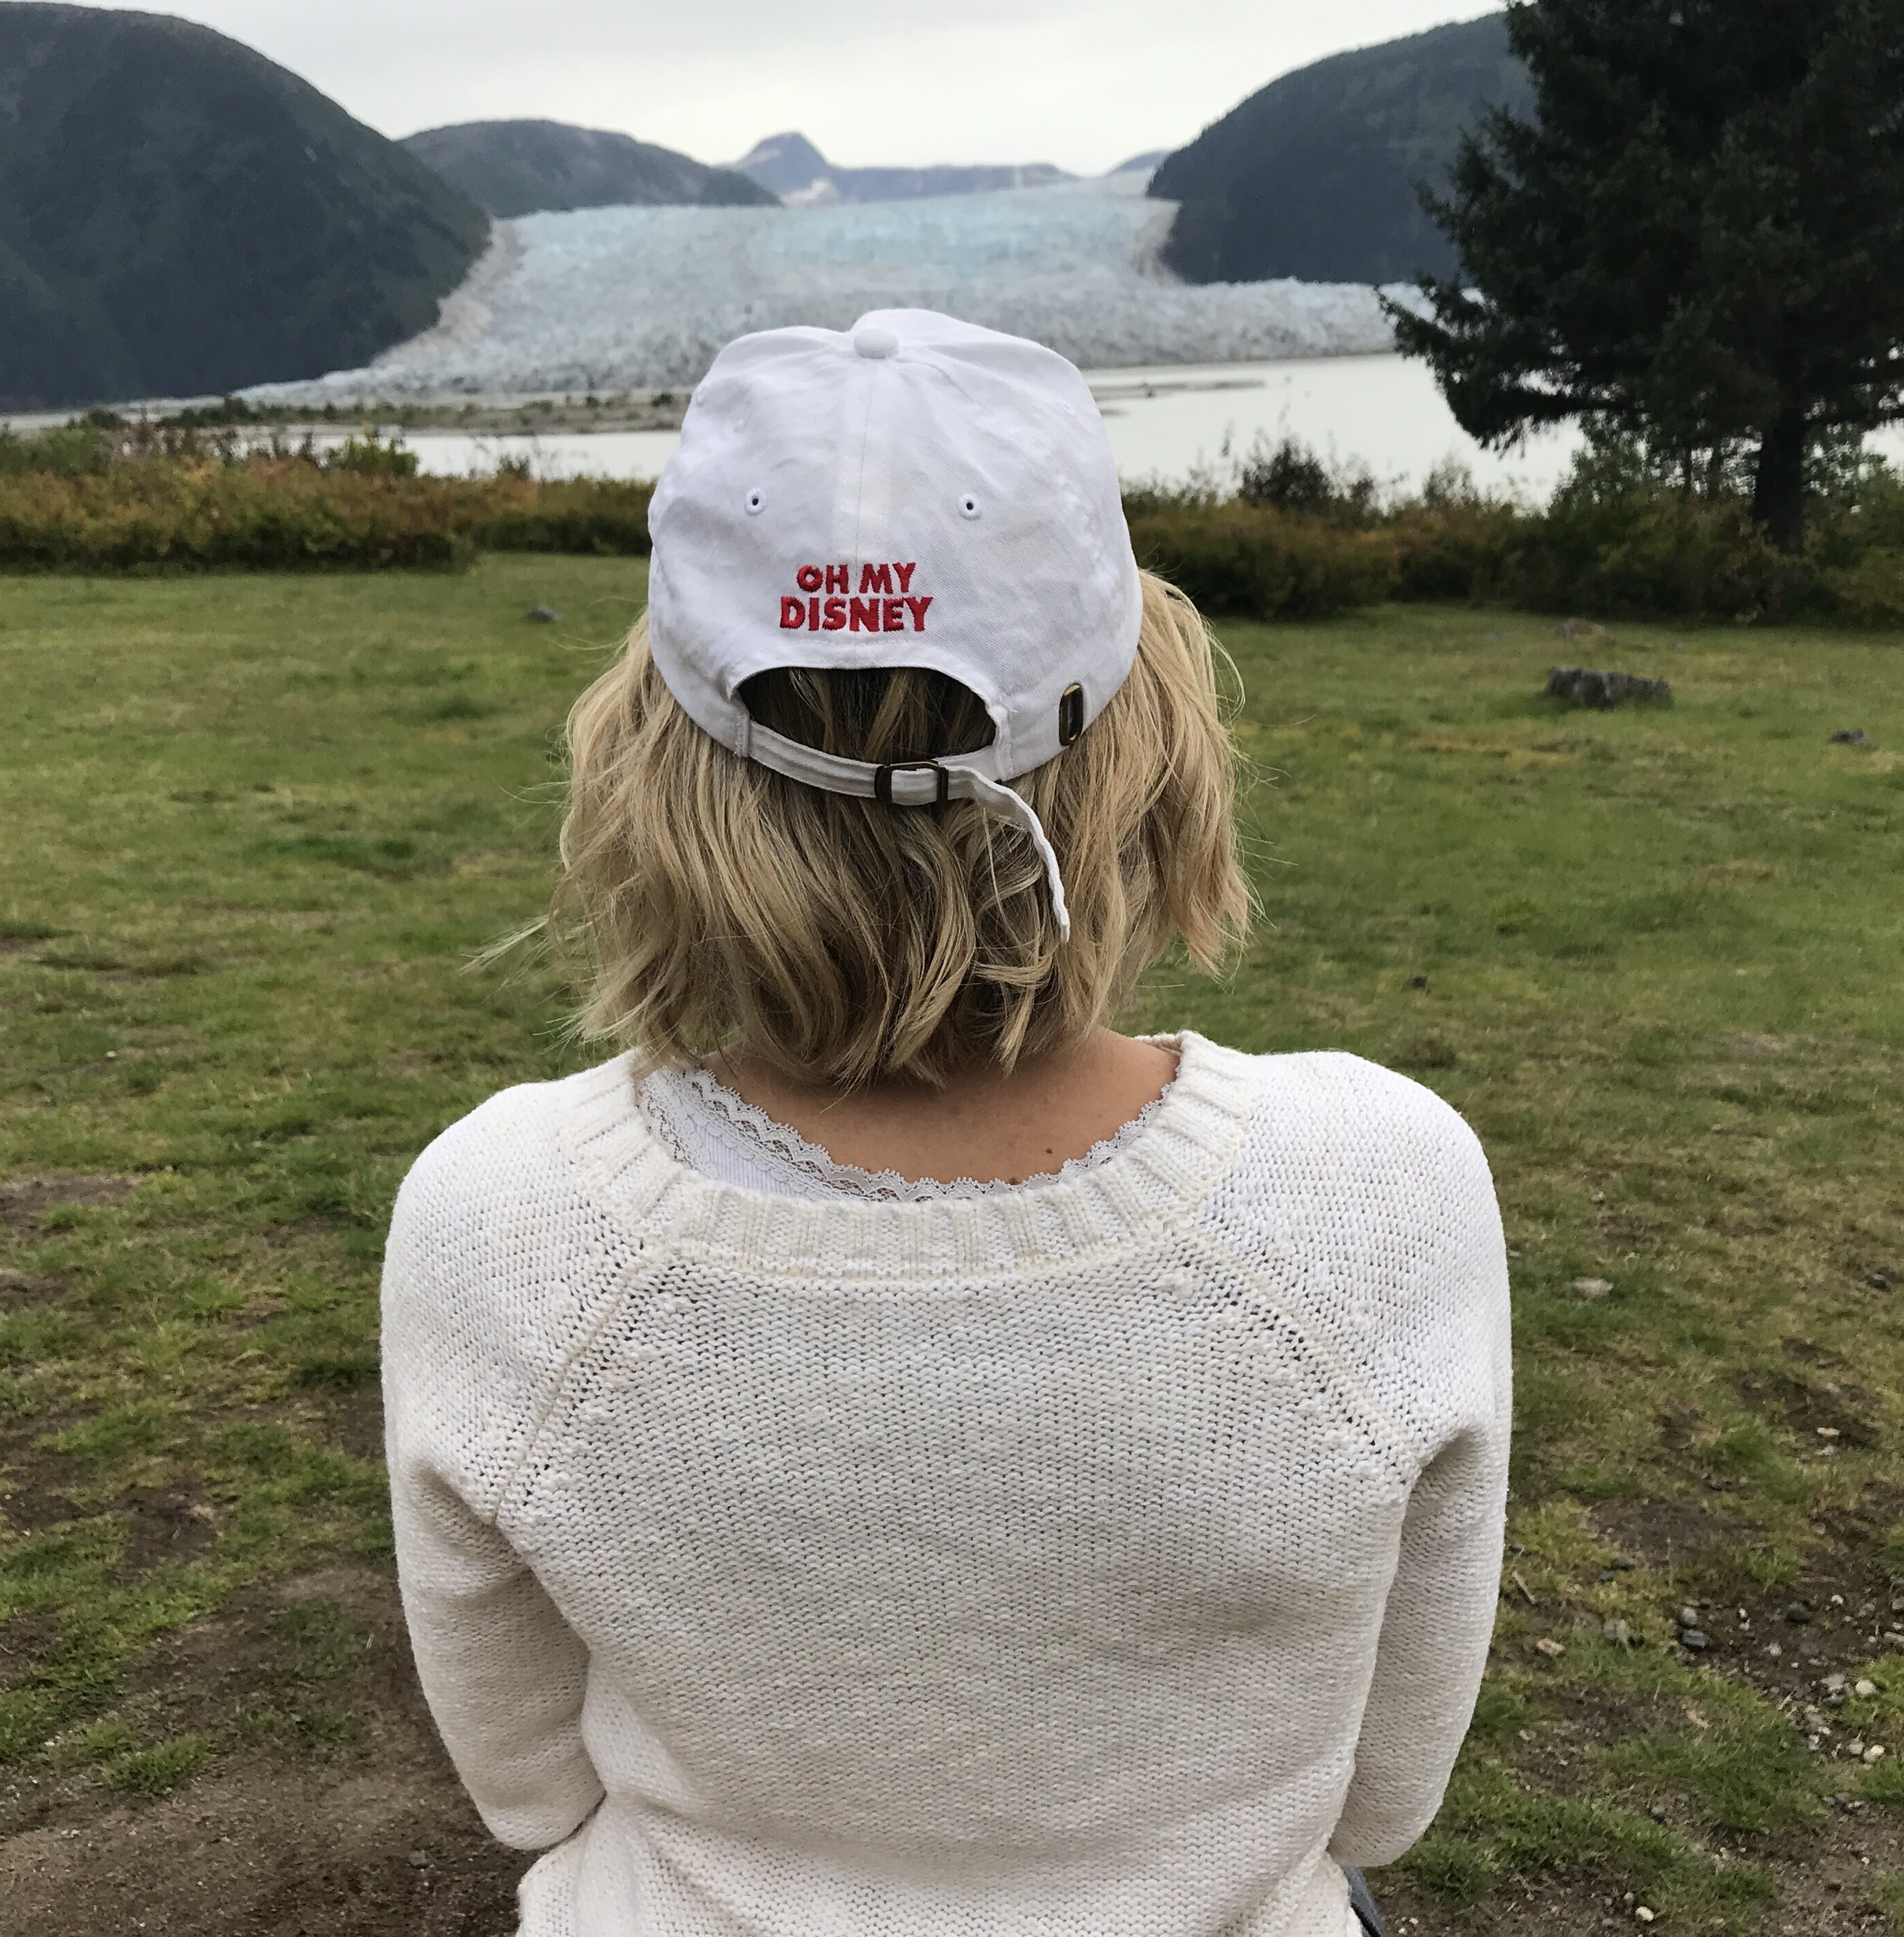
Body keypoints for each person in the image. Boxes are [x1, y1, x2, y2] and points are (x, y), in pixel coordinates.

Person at [381, 309, 1511, 1937]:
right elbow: (1385, 1800)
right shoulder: (1380, 1189)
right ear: (1147, 741)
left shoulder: (501, 1216)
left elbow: (527, 1786)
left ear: (654, 763)